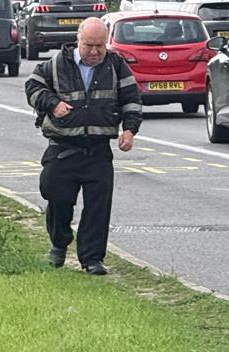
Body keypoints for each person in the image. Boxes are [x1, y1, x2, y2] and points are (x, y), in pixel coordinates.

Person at [23, 15, 142, 274]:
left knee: (98, 207)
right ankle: (59, 242)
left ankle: (92, 259)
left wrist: (129, 130)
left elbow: (132, 99)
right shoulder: (56, 64)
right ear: (78, 41)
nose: (95, 52)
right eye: (89, 45)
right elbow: (32, 87)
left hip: (98, 150)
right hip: (62, 147)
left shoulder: (116, 65)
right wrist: (52, 103)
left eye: (100, 46)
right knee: (56, 196)